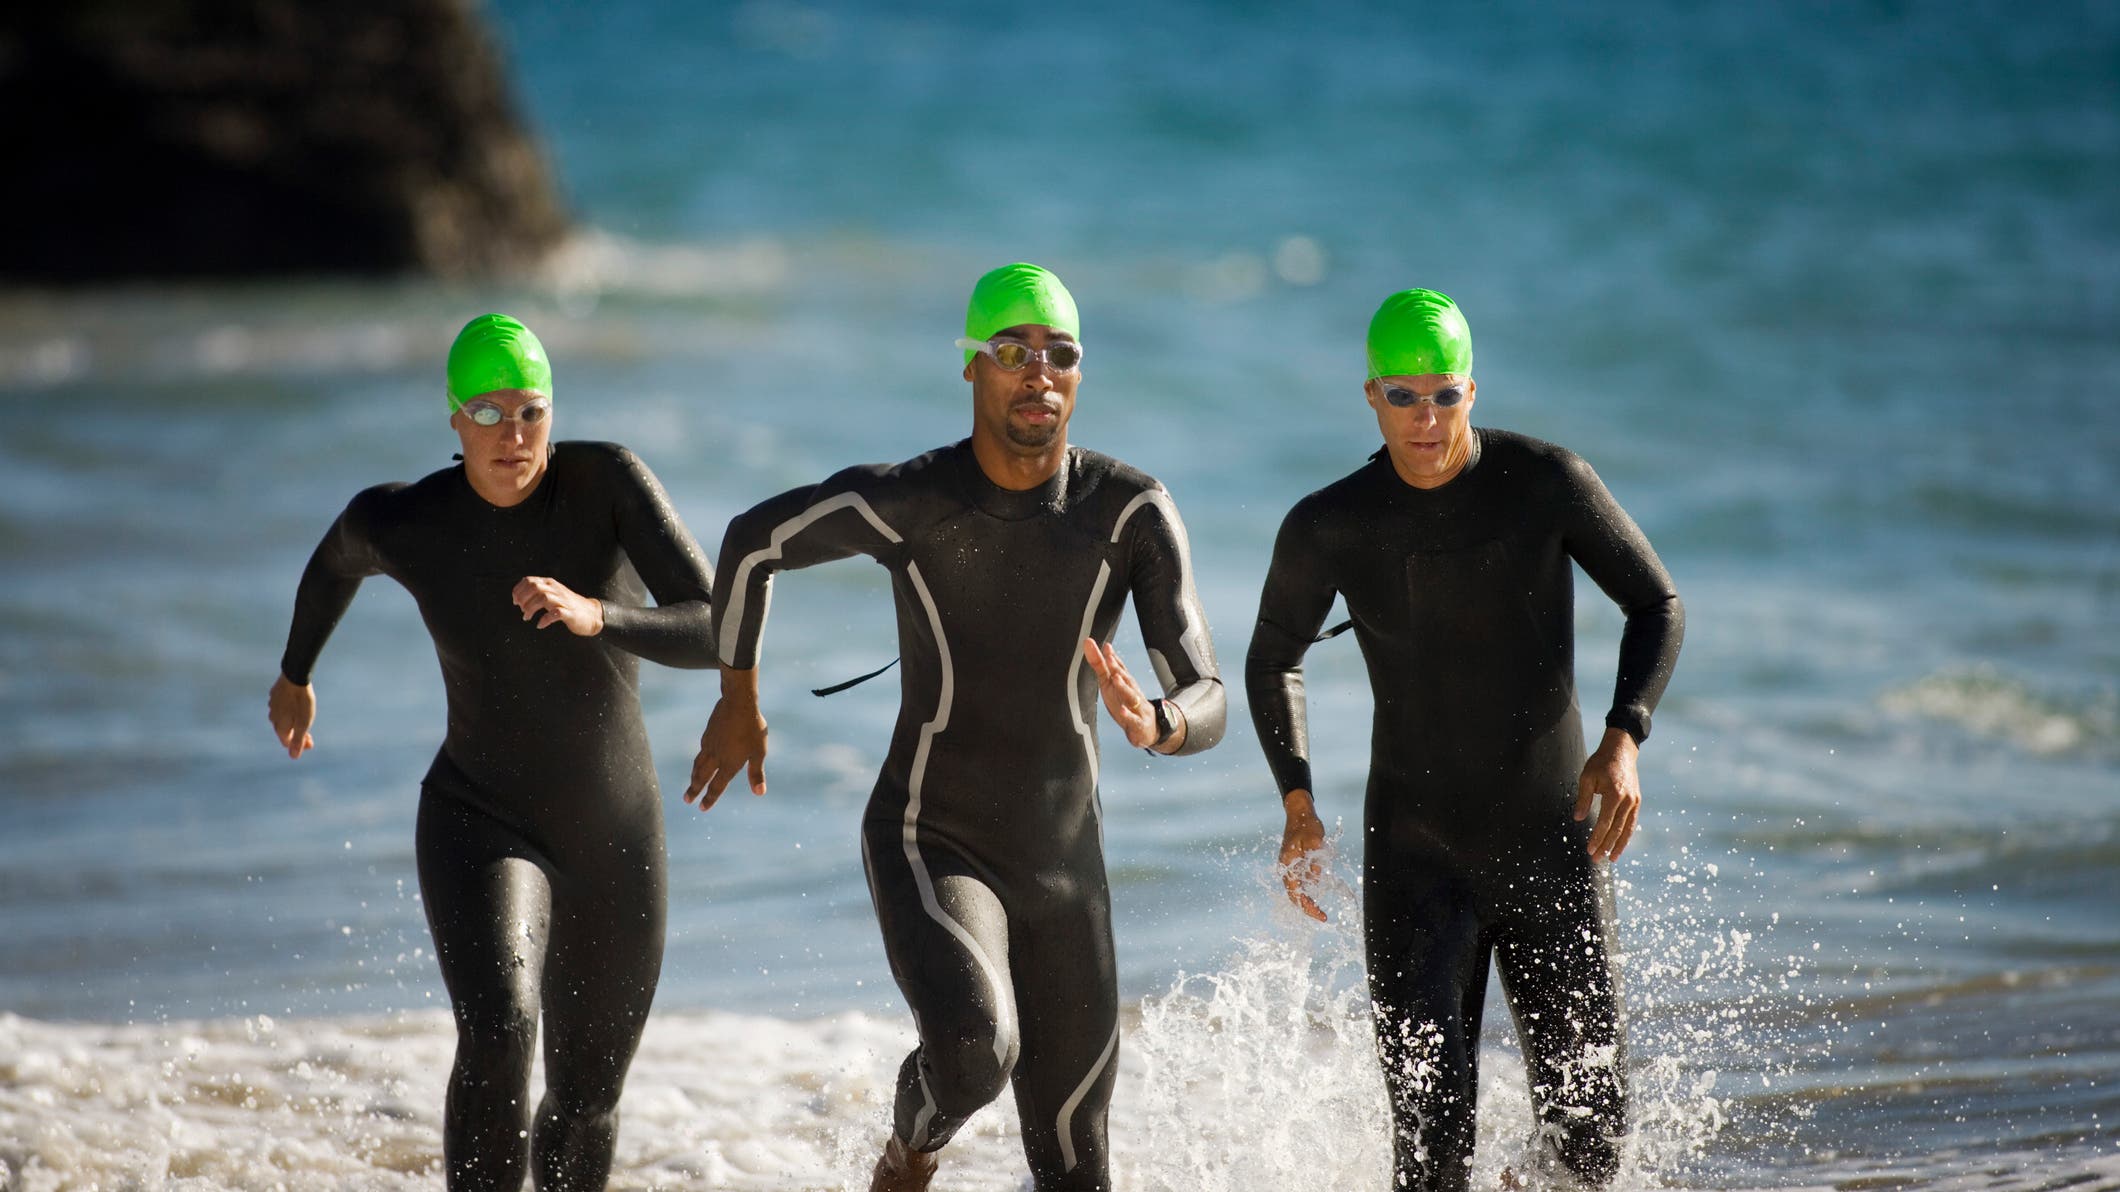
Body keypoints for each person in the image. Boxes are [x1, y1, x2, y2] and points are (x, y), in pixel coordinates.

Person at [684, 263, 1225, 1192]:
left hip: (1066, 871)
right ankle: (909, 1157)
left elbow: (1207, 690)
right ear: (972, 366)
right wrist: (739, 700)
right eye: (1012, 351)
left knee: (1077, 1168)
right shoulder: (913, 500)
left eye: (1059, 353)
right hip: (932, 837)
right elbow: (751, 542)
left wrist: (1162, 722)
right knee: (977, 1053)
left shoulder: (1129, 511)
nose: (1038, 372)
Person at [267, 314, 717, 1191]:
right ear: (454, 418)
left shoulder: (606, 483)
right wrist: (295, 674)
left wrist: (599, 614)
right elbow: (334, 562)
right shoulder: (410, 519)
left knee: (587, 1098)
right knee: (500, 1031)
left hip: (613, 836)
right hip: (479, 813)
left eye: (530, 412)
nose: (513, 434)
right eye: (488, 413)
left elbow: (714, 625)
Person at [1245, 290, 1683, 1190]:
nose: (1426, 418)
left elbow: (1657, 604)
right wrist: (1298, 802)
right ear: (1371, 396)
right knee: (1431, 1160)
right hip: (1416, 863)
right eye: (1403, 396)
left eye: (1444, 394)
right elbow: (1272, 659)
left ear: (1472, 392)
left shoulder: (1547, 483)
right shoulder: (1332, 523)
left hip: (1549, 850)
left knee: (1593, 1147)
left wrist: (1624, 737)